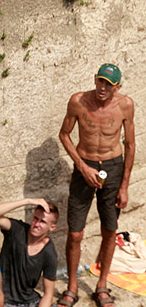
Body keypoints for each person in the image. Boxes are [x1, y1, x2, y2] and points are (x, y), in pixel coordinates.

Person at [57, 63, 136, 307]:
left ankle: (102, 284)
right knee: (75, 232)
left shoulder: (125, 105)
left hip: (112, 167)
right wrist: (82, 166)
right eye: (100, 81)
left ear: (117, 87)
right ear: (95, 79)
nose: (102, 87)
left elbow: (130, 145)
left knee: (110, 228)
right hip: (85, 167)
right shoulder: (78, 101)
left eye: (109, 84)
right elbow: (64, 134)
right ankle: (72, 286)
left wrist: (124, 185)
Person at [0, 197, 58, 307]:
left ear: (52, 227)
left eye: (42, 221)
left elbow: (48, 294)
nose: (36, 224)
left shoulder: (49, 252)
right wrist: (28, 201)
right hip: (5, 300)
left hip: (30, 301)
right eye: (35, 218)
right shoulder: (17, 230)